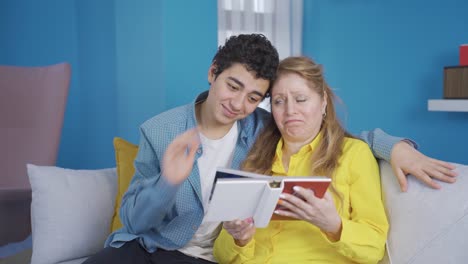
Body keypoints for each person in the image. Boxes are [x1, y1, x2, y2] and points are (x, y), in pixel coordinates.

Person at [83, 34, 456, 264]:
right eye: (277, 101)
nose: (238, 104)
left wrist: (397, 148)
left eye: (254, 97)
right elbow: (137, 222)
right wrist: (169, 182)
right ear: (213, 73)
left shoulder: (274, 133)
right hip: (150, 246)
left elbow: (344, 137)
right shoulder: (171, 132)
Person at [213, 56, 387, 263]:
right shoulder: (256, 159)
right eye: (279, 101)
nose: (290, 111)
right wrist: (240, 239)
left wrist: (333, 225)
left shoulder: (354, 154)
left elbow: (374, 249)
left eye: (300, 99)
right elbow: (221, 255)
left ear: (323, 102)